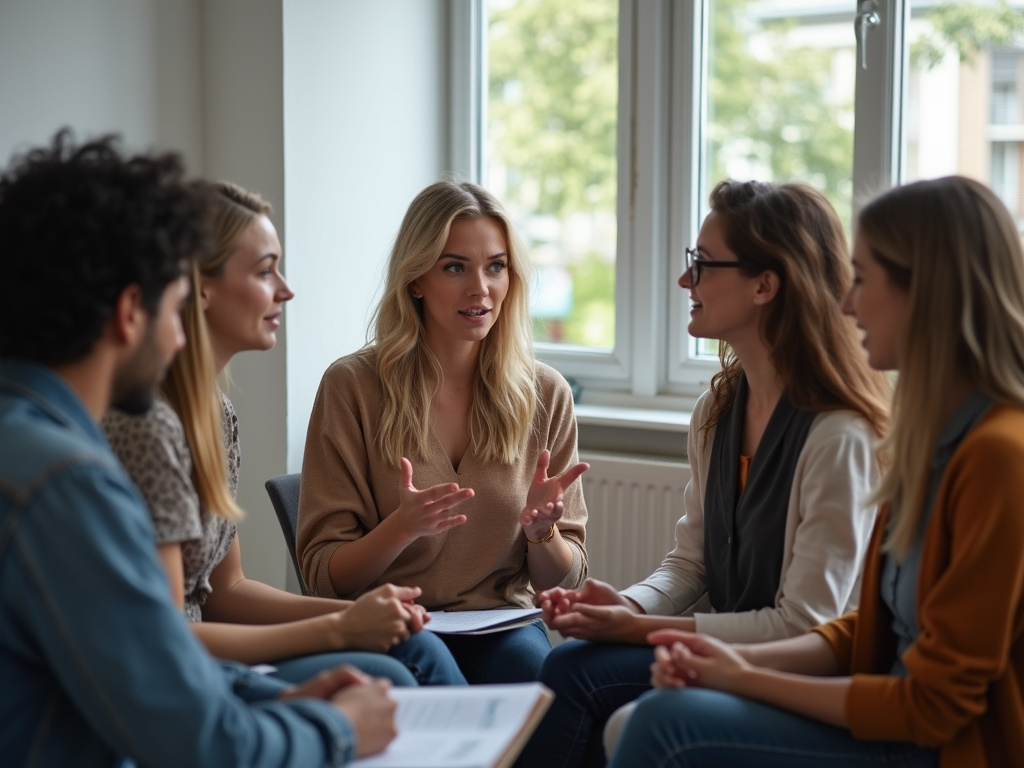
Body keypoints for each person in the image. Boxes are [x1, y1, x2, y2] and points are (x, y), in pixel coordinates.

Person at [0, 130, 395, 767]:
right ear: (131, 312)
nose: (182, 337)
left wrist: (277, 702)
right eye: (176, 305)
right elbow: (200, 742)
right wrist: (336, 729)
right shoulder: (68, 485)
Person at [608, 175, 1024, 768]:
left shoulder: (999, 455)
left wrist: (744, 675)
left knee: (663, 725)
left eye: (863, 279)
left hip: (939, 748)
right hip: (888, 713)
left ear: (926, 292)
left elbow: (933, 706)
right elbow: (868, 630)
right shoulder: (931, 436)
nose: (847, 303)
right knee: (623, 692)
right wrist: (722, 659)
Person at [516, 179, 891, 768]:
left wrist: (636, 631)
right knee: (568, 664)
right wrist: (631, 607)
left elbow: (804, 624)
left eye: (703, 264)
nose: (684, 280)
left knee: (589, 681)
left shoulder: (837, 436)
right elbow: (690, 563)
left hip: (800, 675)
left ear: (765, 285)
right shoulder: (717, 409)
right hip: (726, 648)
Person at [102, 180, 465, 687]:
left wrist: (362, 616)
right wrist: (340, 627)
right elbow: (162, 638)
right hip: (172, 679)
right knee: (394, 673)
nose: (286, 290)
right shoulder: (149, 425)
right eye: (264, 270)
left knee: (412, 646)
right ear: (199, 288)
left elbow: (226, 591)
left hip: (203, 657)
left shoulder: (215, 415)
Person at [297, 179, 589, 684]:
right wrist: (401, 528)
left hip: (501, 625)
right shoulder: (351, 386)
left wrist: (542, 533)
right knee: (438, 681)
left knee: (540, 679)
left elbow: (563, 584)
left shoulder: (547, 393)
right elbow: (324, 577)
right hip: (396, 625)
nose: (481, 288)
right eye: (455, 267)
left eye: (495, 266)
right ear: (416, 279)